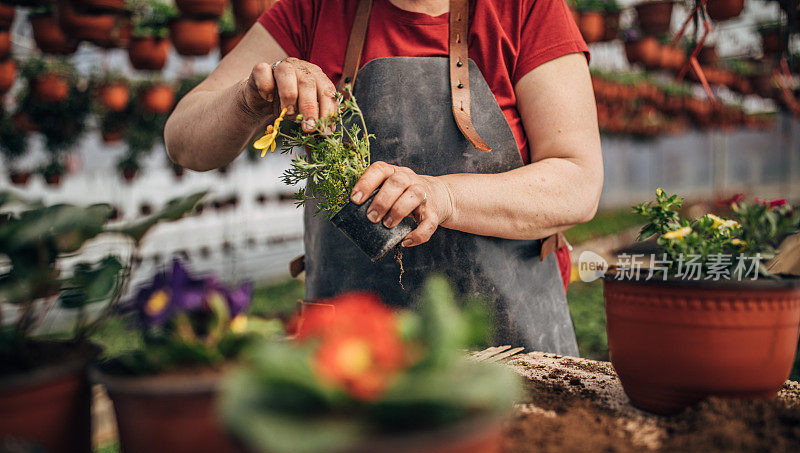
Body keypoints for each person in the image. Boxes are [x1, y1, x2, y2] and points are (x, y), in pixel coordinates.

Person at [164, 0, 603, 355]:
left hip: (509, 345)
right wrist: (249, 98)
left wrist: (444, 196)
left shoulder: (524, 8)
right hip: (353, 356)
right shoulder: (311, 11)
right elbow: (183, 140)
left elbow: (577, 181)